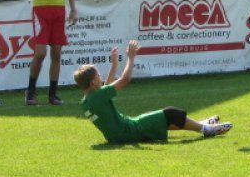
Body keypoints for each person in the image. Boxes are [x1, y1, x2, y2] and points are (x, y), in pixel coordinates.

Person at [74, 41, 233, 143]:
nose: (100, 77)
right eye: (98, 75)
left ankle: (201, 124)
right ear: (93, 82)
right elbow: (125, 79)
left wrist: (114, 64)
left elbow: (106, 88)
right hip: (129, 131)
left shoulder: (86, 101)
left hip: (119, 135)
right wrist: (131, 57)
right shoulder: (97, 96)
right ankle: (206, 130)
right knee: (171, 113)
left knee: (158, 118)